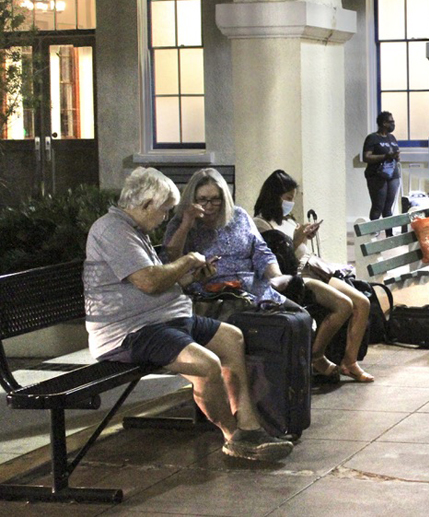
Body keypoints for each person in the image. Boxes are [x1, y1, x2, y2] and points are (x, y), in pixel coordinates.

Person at [83, 167, 293, 462]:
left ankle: (250, 427)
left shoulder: (135, 230)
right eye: (164, 210)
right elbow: (149, 280)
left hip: (165, 319)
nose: (164, 218)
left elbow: (161, 282)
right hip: (131, 332)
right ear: (146, 205)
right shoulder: (112, 230)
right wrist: (187, 261)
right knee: (206, 365)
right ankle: (233, 437)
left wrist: (192, 277)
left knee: (232, 338)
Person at [167, 169, 373, 383]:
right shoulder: (182, 223)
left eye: (215, 200)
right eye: (203, 200)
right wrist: (186, 224)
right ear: (192, 199)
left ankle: (302, 368)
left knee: (302, 317)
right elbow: (171, 256)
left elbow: (260, 250)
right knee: (283, 322)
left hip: (256, 286)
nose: (209, 206)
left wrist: (275, 275)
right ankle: (279, 377)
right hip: (216, 293)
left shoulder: (238, 217)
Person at [252, 169, 375, 382]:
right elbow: (278, 263)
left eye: (293, 198)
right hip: (296, 276)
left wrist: (305, 237)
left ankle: (350, 361)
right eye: (287, 198)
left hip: (315, 269)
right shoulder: (261, 224)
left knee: (362, 302)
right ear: (274, 196)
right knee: (344, 304)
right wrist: (297, 241)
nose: (290, 203)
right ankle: (316, 356)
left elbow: (301, 250)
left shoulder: (288, 219)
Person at [363, 111, 401, 235]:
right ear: (384, 123)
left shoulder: (392, 138)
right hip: (377, 175)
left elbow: (394, 153)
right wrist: (385, 156)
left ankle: (389, 235)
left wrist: (395, 157)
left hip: (393, 174)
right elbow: (366, 157)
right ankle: (373, 233)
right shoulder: (373, 138)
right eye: (391, 122)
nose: (393, 124)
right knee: (378, 205)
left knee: (388, 207)